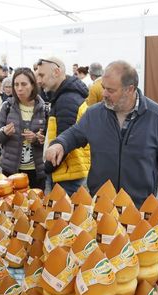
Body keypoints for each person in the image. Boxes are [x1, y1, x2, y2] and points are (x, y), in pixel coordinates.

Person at [45, 60, 158, 211]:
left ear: (130, 89)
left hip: (139, 207)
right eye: (103, 87)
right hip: (101, 204)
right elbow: (75, 134)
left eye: (110, 90)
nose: (104, 94)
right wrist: (60, 144)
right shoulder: (94, 114)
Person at [35, 56, 89, 194]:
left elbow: (65, 144)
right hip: (68, 172)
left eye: (42, 75)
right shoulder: (65, 96)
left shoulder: (67, 100)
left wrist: (47, 168)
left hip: (67, 175)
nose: (39, 80)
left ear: (56, 72)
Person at [0, 68, 47, 190]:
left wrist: (37, 139)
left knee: (35, 201)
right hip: (11, 170)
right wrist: (4, 133)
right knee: (11, 201)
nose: (19, 88)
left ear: (33, 85)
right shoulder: (7, 106)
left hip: (37, 171)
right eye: (16, 84)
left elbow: (50, 140)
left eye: (24, 84)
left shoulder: (45, 108)